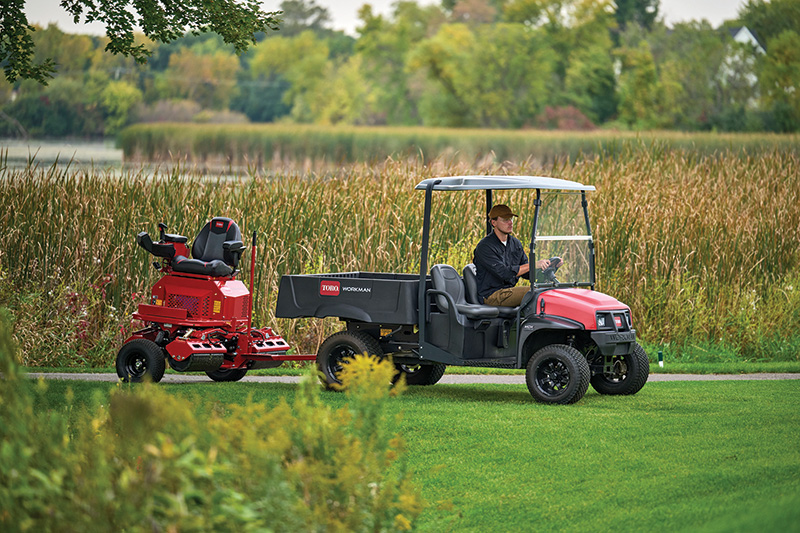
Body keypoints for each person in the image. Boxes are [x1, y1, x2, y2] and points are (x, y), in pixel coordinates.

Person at [472, 204, 552, 307]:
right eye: (505, 220)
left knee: (548, 289)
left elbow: (526, 273)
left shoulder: (515, 243)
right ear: (494, 222)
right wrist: (533, 264)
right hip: (492, 295)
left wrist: (548, 267)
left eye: (511, 219)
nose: (510, 223)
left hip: (508, 292)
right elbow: (504, 273)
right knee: (534, 292)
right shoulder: (485, 247)